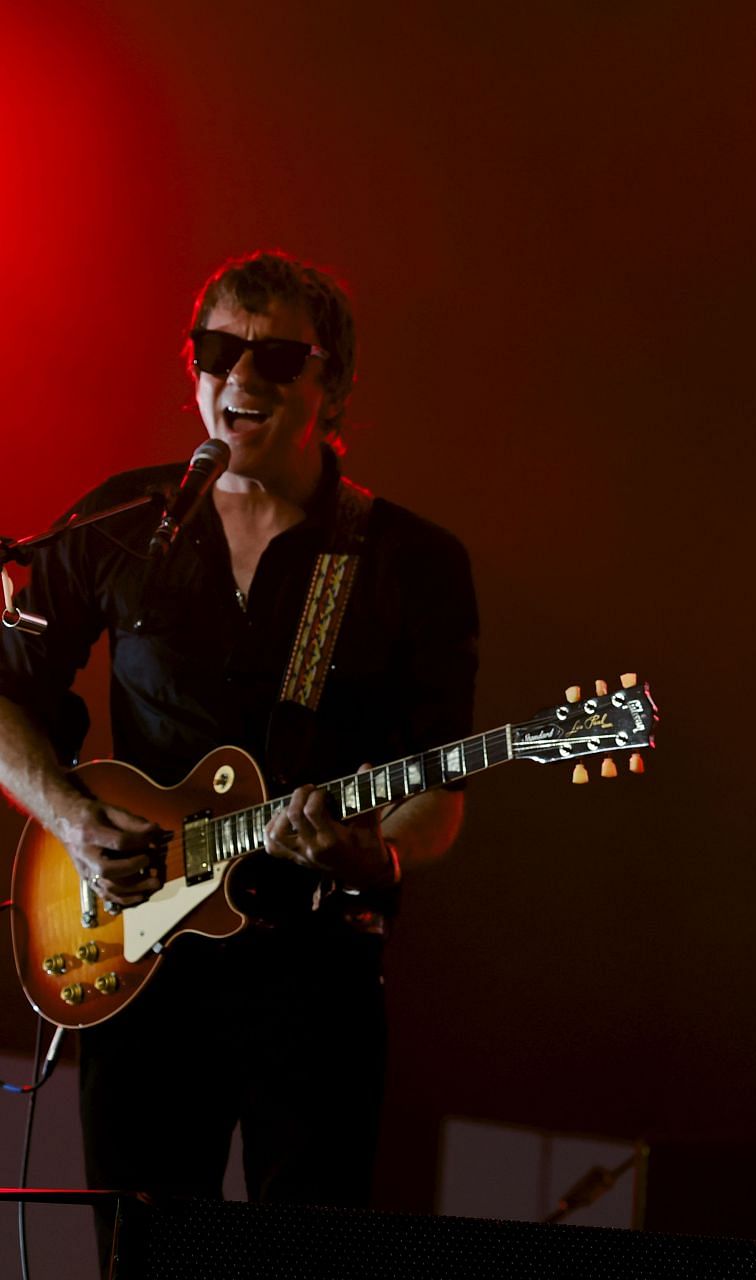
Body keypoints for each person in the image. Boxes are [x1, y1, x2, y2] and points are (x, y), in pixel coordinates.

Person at [0, 251, 478, 1233]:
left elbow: (439, 784)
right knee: (140, 1246)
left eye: (275, 357)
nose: (241, 378)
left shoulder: (408, 561)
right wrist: (73, 819)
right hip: (137, 958)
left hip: (313, 974)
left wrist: (376, 851)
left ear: (330, 383)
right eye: (218, 350)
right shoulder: (126, 522)